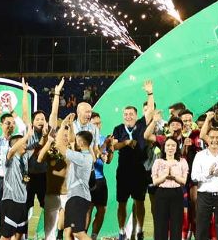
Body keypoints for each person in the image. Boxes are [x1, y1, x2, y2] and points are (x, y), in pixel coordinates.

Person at [112, 81, 155, 240]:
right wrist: (125, 143)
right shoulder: (118, 129)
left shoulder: (141, 125)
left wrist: (150, 93)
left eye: (131, 114)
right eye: (126, 114)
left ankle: (140, 230)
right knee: (121, 203)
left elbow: (150, 111)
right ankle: (121, 231)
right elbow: (113, 146)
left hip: (139, 172)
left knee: (139, 202)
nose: (128, 116)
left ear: (136, 116)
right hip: (123, 171)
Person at [0, 96, 28, 239]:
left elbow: (24, 129)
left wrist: (12, 111)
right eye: (7, 123)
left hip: (15, 183)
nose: (11, 126)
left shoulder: (17, 141)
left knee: (13, 216)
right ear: (1, 125)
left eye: (12, 123)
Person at [61, 119, 95, 240]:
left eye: (77, 140)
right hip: (75, 197)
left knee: (78, 233)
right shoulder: (85, 156)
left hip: (78, 198)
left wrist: (63, 126)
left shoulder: (81, 157)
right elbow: (71, 141)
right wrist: (71, 125)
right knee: (68, 232)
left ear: (80, 142)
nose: (74, 142)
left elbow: (59, 146)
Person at [0, 131, 35, 240]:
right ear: (16, 145)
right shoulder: (9, 157)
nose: (26, 145)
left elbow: (37, 146)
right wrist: (27, 135)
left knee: (19, 235)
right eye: (23, 143)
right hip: (11, 201)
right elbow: (12, 150)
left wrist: (46, 137)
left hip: (22, 202)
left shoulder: (25, 157)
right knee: (6, 236)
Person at [152, 136, 189, 240]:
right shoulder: (158, 162)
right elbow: (155, 182)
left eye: (173, 145)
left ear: (177, 148)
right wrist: (165, 176)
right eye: (168, 145)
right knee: (160, 225)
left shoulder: (182, 161)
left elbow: (183, 181)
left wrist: (174, 176)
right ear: (164, 148)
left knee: (176, 225)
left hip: (177, 194)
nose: (170, 148)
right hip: (161, 194)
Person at [89, 112, 112, 240]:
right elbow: (94, 156)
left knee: (102, 210)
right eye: (95, 124)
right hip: (88, 180)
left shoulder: (104, 139)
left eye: (99, 123)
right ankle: (82, 236)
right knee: (88, 210)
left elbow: (108, 161)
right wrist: (102, 151)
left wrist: (111, 149)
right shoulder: (85, 138)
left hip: (100, 179)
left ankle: (93, 236)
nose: (97, 126)